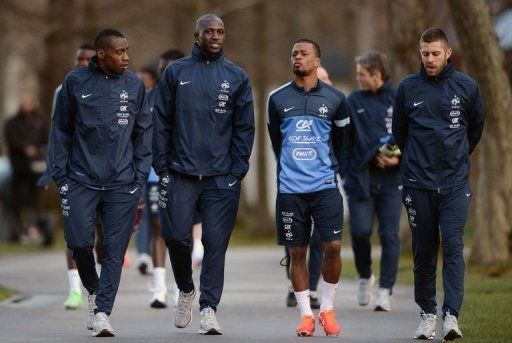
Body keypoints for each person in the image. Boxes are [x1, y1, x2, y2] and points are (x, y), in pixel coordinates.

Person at [153, 14, 254, 335]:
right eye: (209, 31)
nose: (215, 36)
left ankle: (209, 308)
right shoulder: (176, 72)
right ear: (196, 35)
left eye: (220, 32)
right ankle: (186, 289)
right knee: (175, 236)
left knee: (215, 243)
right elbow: (161, 122)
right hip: (180, 172)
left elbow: (244, 128)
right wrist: (162, 166)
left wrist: (237, 170)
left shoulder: (237, 76)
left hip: (221, 176)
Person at [50, 28, 152, 337]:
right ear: (102, 54)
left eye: (127, 51)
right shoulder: (75, 82)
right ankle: (93, 292)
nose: (126, 57)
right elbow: (61, 131)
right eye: (120, 52)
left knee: (113, 250)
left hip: (122, 183)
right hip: (81, 179)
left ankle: (102, 312)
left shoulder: (134, 85)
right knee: (80, 243)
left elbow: (143, 133)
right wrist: (62, 177)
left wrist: (139, 176)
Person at [393, 28, 485, 341]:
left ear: (448, 53)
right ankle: (428, 314)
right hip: (418, 183)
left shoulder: (467, 87)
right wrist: (420, 162)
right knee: (424, 251)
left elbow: (474, 130)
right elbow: (400, 134)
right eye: (425, 54)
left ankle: (451, 317)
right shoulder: (407, 88)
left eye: (435, 53)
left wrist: (454, 159)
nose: (430, 59)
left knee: (454, 247)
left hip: (455, 183)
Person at [267, 39, 349, 337]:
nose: (297, 58)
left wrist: (330, 170)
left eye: (303, 54)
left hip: (325, 187)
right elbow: (278, 143)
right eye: (293, 54)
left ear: (317, 61)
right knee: (297, 253)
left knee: (334, 246)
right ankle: (305, 316)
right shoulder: (277, 99)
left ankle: (326, 309)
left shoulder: (337, 99)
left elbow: (342, 144)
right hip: (290, 190)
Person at [39, 44, 104, 310]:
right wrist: (51, 170)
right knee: (74, 233)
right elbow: (57, 131)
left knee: (98, 235)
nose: (82, 62)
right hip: (72, 172)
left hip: (103, 174)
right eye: (79, 58)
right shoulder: (63, 89)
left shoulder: (109, 86)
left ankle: (97, 287)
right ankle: (75, 290)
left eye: (87, 59)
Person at [342, 51, 401, 312]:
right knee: (359, 233)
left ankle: (385, 290)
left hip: (392, 182)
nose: (357, 78)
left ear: (377, 75)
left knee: (389, 235)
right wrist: (346, 175)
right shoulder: (353, 100)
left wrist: (399, 157)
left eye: (362, 74)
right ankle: (365, 276)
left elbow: (410, 135)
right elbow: (344, 142)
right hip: (361, 181)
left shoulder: (399, 99)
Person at [284, 65, 333, 309]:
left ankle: (312, 288)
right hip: (292, 184)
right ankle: (294, 284)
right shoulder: (286, 103)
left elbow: (342, 145)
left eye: (325, 78)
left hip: (324, 185)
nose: (320, 82)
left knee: (320, 240)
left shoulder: (335, 106)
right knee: (296, 243)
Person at [140, 49, 185, 309]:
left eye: (172, 67)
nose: (167, 72)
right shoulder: (146, 98)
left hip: (187, 175)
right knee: (158, 227)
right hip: (155, 174)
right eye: (163, 67)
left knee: (182, 234)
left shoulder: (192, 98)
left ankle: (183, 288)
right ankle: (159, 289)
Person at [4, 95, 50, 245]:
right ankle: (17, 228)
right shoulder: (13, 122)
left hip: (36, 168)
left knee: (36, 195)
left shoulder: (39, 121)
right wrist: (25, 149)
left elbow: (46, 138)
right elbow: (11, 139)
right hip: (19, 167)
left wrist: (39, 150)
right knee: (17, 197)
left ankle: (36, 224)